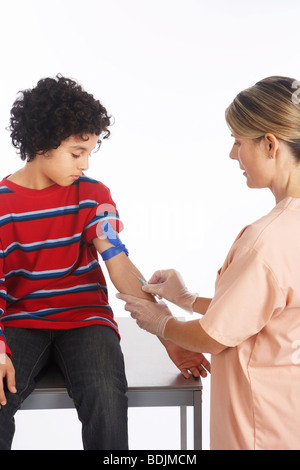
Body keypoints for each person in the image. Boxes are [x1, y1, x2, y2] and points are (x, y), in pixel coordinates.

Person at [0, 75, 209, 450]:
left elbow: (122, 269)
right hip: (20, 323)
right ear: (38, 143)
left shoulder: (93, 195)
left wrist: (169, 336)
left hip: (85, 320)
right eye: (76, 152)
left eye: (90, 152)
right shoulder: (2, 205)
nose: (85, 163)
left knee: (106, 399)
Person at [117, 76, 300, 450]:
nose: (233, 155)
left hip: (261, 429)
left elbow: (214, 335)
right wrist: (187, 298)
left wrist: (162, 323)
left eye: (237, 142)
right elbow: (261, 316)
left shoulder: (269, 240)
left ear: (269, 144)